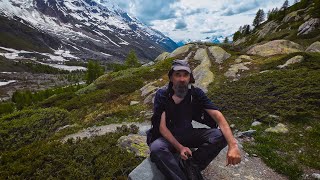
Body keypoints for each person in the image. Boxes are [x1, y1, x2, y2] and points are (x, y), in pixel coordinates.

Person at [147, 59, 241, 180]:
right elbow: (162, 127)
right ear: (171, 78)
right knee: (156, 148)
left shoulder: (196, 93)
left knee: (220, 135)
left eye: (185, 75)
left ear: (190, 77)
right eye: (177, 75)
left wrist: (233, 145)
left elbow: (217, 116)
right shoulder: (162, 95)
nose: (182, 79)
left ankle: (192, 164)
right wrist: (180, 147)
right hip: (167, 137)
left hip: (187, 134)